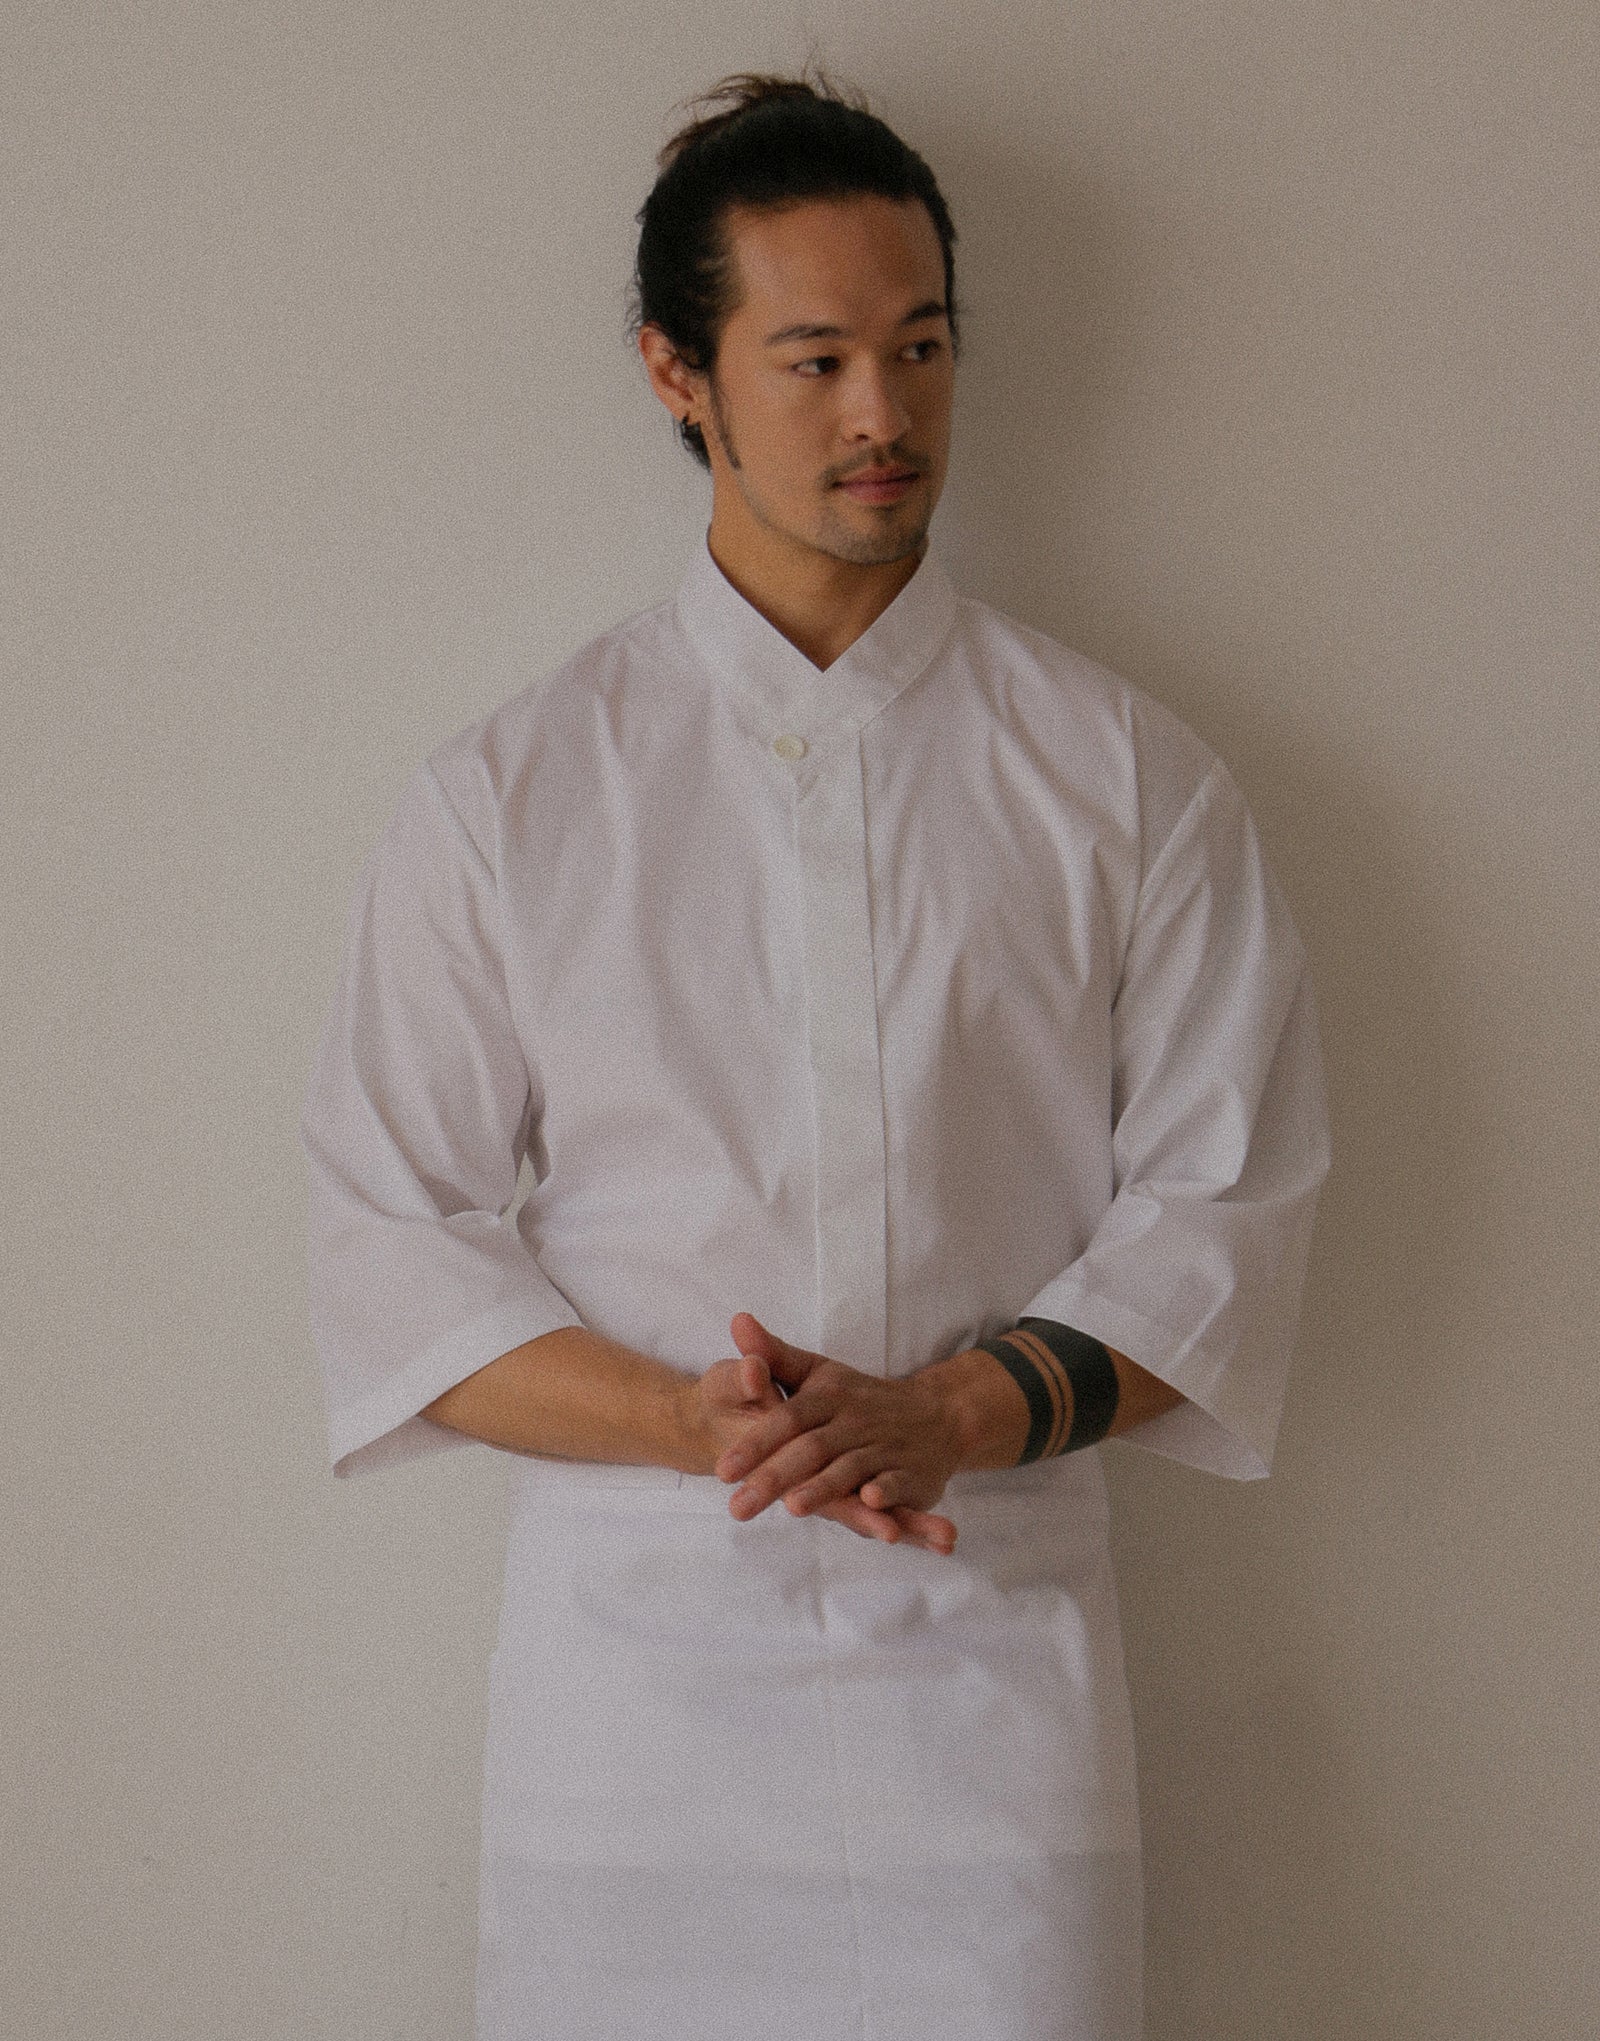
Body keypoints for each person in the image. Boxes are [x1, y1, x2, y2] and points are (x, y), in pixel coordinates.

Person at [301, 72, 1330, 2041]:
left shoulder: (1124, 777)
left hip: (997, 1698)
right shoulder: (511, 796)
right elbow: (391, 1246)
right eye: (817, 357)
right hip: (632, 1719)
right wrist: (704, 1424)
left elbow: (1224, 1212)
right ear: (674, 372)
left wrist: (946, 1411)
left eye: (921, 347)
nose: (883, 412)